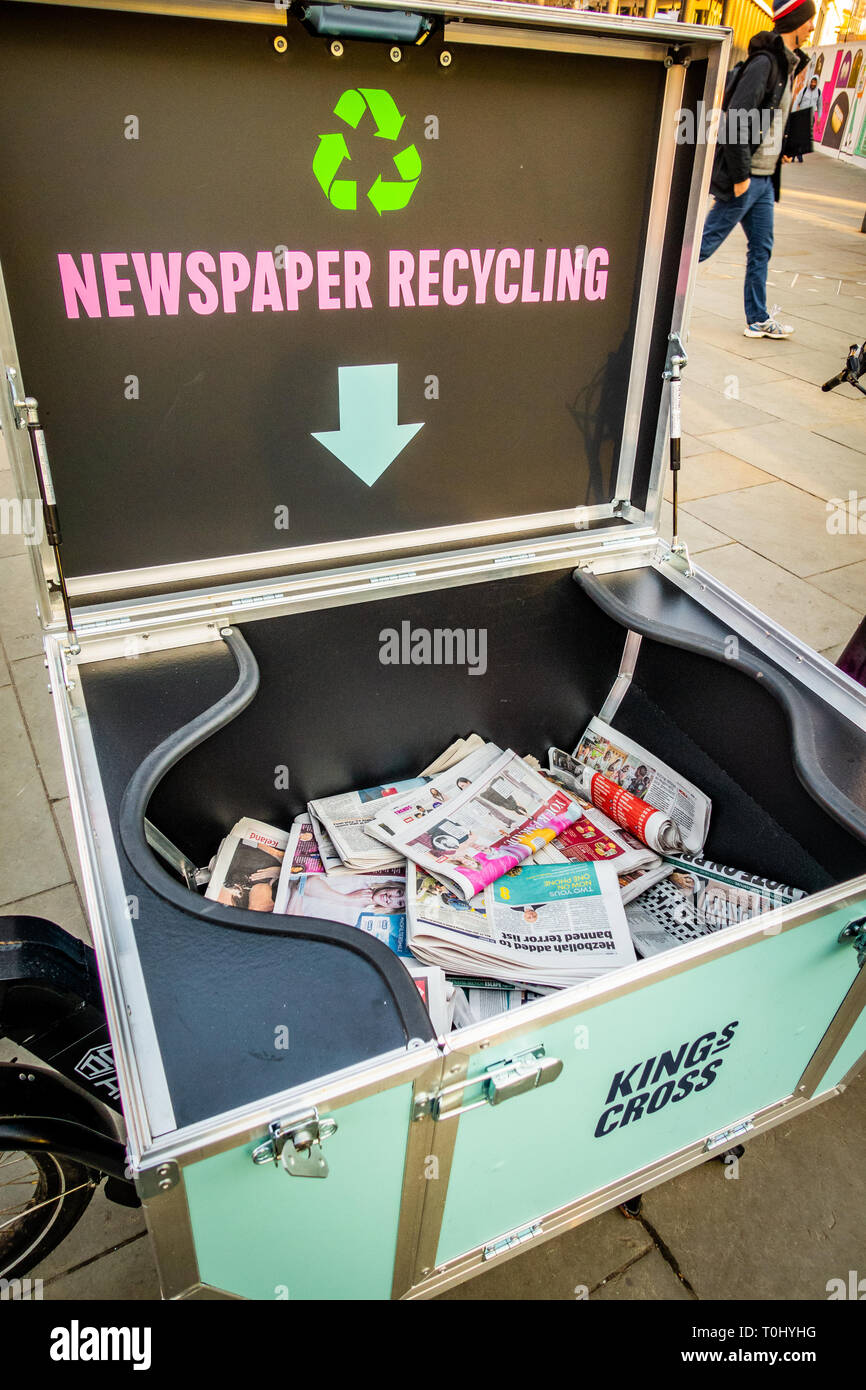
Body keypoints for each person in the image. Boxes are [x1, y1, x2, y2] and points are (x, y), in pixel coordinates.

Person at [699, 0, 815, 340]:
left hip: (764, 179)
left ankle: (757, 318)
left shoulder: (789, 65)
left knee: (761, 248)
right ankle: (650, 292)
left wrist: (783, 150)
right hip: (747, 178)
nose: (812, 28)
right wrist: (739, 177)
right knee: (702, 246)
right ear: (796, 23)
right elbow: (735, 118)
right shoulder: (765, 63)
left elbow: (772, 119)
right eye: (810, 21)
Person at [786, 75, 822, 161]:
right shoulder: (804, 90)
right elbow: (796, 101)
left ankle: (800, 154)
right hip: (801, 115)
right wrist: (793, 113)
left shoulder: (819, 92)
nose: (813, 84)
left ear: (817, 83)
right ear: (810, 82)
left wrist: (819, 117)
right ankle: (794, 154)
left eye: (815, 82)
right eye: (812, 82)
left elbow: (820, 105)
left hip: (810, 117)